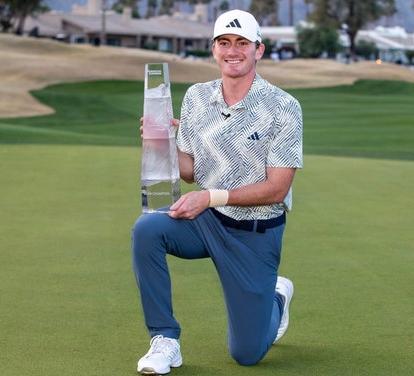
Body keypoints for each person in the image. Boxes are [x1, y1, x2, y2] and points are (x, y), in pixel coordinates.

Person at [131, 9, 303, 375]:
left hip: (255, 234)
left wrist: (211, 197)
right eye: (224, 42)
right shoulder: (197, 97)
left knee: (247, 354)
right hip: (206, 223)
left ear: (259, 50)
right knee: (147, 230)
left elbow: (277, 188)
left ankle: (276, 295)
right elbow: (192, 171)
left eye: (242, 43)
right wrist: (161, 142)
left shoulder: (284, 107)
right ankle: (165, 340)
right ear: (214, 49)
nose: (233, 51)